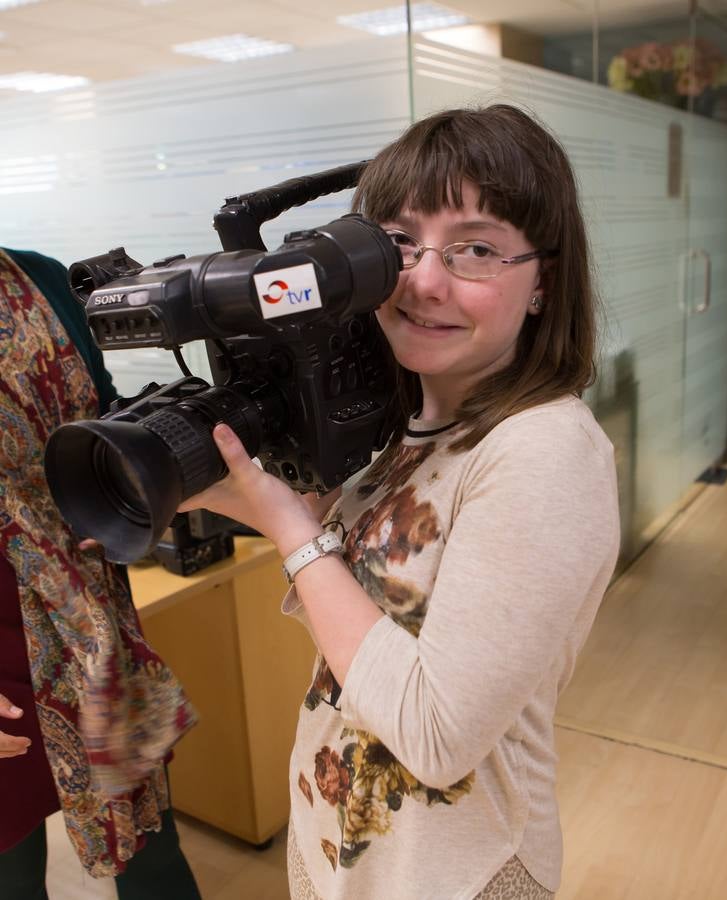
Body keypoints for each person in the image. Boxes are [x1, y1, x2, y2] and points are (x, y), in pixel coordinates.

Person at [179, 104, 620, 899]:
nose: (421, 280)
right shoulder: (408, 423)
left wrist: (292, 532)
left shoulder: (544, 450)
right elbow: (363, 637)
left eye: (475, 249)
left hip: (450, 875)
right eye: (397, 243)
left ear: (541, 281)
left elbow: (434, 733)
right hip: (344, 855)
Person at [0, 247, 202, 898]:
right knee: (9, 860)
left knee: (149, 839)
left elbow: (97, 412)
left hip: (85, 602)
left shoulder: (42, 278)